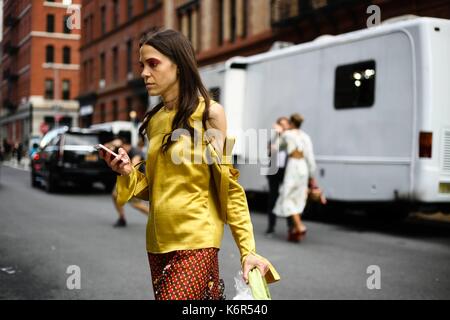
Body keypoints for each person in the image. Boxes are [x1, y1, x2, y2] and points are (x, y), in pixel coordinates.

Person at [98, 29, 279, 300]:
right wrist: (127, 172)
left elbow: (228, 188)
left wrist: (248, 250)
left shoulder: (210, 114)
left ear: (179, 65)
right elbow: (156, 190)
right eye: (142, 66)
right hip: (157, 243)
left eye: (153, 64)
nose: (144, 73)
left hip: (197, 240)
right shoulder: (154, 121)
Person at [273, 113, 317, 242]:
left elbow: (277, 147)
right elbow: (311, 158)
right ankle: (295, 228)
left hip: (293, 167)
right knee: (298, 198)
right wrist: (312, 176)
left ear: (291, 123)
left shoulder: (288, 135)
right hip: (303, 167)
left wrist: (279, 133)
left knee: (286, 196)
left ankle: (299, 226)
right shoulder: (306, 137)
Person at [105, 136, 149, 228]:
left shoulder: (135, 151)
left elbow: (134, 163)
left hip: (135, 180)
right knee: (115, 195)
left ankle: (155, 218)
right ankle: (122, 218)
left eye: (121, 146)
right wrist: (113, 143)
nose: (119, 149)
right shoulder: (123, 151)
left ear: (125, 144)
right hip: (125, 178)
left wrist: (127, 167)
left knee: (136, 204)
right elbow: (105, 146)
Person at [265, 116, 293, 236]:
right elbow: (270, 152)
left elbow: (288, 148)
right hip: (274, 171)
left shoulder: (291, 138)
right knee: (272, 199)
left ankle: (291, 227)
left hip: (287, 171)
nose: (282, 126)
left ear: (288, 125)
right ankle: (271, 227)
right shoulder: (275, 138)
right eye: (280, 124)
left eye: (284, 124)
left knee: (288, 198)